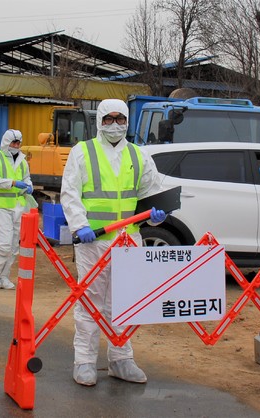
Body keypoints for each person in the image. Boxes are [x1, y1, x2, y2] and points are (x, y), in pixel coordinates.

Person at [60, 99, 167, 386]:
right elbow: (70, 194)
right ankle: (84, 361)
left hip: (128, 241)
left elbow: (152, 194)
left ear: (128, 121)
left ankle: (121, 358)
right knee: (91, 302)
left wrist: (156, 216)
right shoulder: (82, 152)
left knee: (124, 302)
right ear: (99, 121)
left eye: (120, 119)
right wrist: (80, 225)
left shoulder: (138, 155)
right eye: (109, 119)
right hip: (93, 241)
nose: (115, 124)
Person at [0, 129, 33, 290]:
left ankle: (3, 275)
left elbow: (26, 178)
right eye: (13, 143)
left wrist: (29, 186)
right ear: (5, 142)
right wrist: (12, 183)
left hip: (19, 207)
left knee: (13, 245)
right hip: (0, 207)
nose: (16, 146)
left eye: (18, 143)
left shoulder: (23, 161)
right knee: (3, 243)